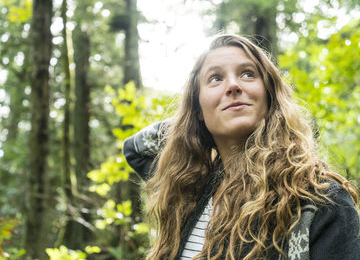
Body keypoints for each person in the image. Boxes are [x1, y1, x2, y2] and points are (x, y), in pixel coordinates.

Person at [123, 34, 360, 260]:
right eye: (215, 78)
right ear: (197, 108)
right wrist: (193, 121)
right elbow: (134, 149)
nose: (233, 85)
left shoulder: (320, 198)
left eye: (247, 74)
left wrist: (216, 107)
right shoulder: (192, 190)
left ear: (270, 97)